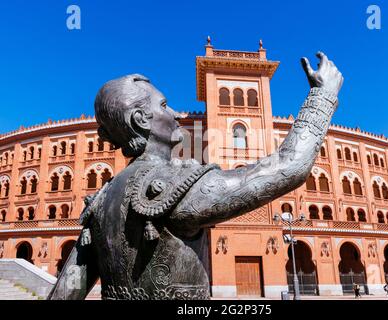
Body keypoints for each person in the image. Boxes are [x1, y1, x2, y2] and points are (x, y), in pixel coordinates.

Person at [48, 52, 344, 300]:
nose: (175, 112)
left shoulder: (100, 203)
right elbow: (291, 167)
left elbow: (66, 293)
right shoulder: (178, 186)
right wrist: (323, 95)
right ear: (140, 120)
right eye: (163, 106)